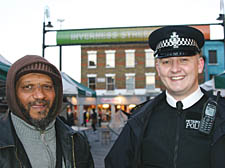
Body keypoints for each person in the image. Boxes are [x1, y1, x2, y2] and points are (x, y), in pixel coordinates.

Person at [105, 26, 225, 168]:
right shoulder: (139, 119)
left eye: (184, 60)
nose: (175, 69)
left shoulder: (222, 115)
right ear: (158, 68)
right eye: (166, 62)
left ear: (199, 65)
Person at [0, 55, 94, 168]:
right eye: (28, 86)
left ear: (57, 93)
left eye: (47, 86)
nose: (40, 95)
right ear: (13, 93)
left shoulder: (77, 142)